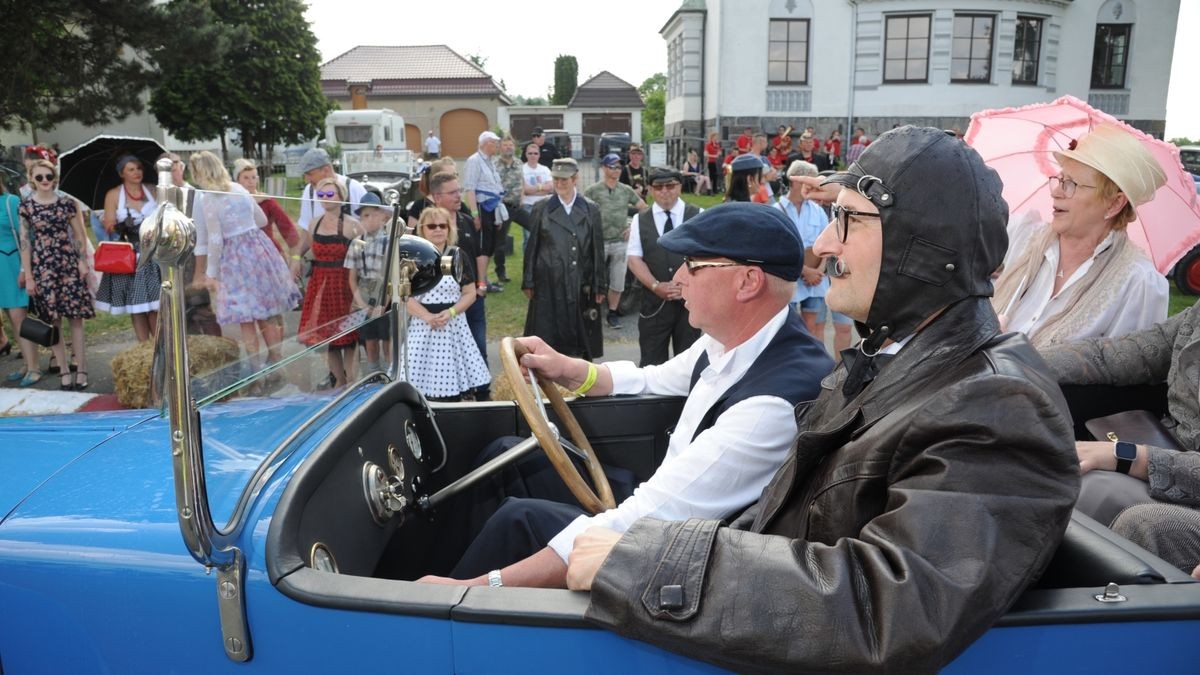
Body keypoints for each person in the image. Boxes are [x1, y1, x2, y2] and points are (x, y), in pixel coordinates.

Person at [561, 127, 1080, 673]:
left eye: (850, 220)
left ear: (921, 245)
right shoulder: (887, 361)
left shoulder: (996, 403)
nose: (826, 245)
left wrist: (647, 561)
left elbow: (891, 611)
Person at [418, 202, 835, 587]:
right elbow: (651, 380)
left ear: (747, 281)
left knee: (519, 519)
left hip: (676, 559)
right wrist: (566, 368)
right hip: (666, 502)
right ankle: (417, 573)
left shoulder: (769, 406)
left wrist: (477, 588)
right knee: (507, 457)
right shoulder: (733, 341)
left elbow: (641, 524)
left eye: (692, 265)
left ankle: (430, 606)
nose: (677, 278)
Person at [1041, 300, 1200, 578]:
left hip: (1178, 476)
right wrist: (1017, 361)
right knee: (1049, 472)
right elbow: (1114, 356)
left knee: (1124, 512)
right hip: (1166, 451)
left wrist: (1130, 456)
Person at [993, 123, 1168, 349]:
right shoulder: (1025, 237)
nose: (1056, 192)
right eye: (1059, 179)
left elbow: (1133, 375)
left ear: (1114, 203)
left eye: (1071, 184)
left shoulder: (1139, 285)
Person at [189, 151, 300, 369]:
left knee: (245, 318)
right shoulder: (238, 189)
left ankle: (255, 369)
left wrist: (212, 272)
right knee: (264, 312)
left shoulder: (207, 199)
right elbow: (260, 219)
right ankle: (276, 362)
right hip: (259, 251)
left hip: (235, 259)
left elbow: (214, 239)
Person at [18, 159, 95, 390]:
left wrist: (82, 262)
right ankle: (62, 369)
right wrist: (29, 276)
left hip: (67, 262)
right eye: (40, 177)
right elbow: (25, 243)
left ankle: (81, 368)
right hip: (43, 267)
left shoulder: (67, 204)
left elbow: (80, 236)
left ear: (55, 179)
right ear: (32, 178)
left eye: (48, 177)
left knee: (76, 318)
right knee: (53, 320)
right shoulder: (26, 207)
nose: (44, 181)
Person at [519, 158, 606, 359]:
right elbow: (532, 246)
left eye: (564, 180)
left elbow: (597, 249)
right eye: (556, 179)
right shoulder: (542, 207)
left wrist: (600, 284)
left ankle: (578, 375)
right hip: (547, 282)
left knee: (579, 333)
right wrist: (528, 280)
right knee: (547, 333)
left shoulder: (590, 209)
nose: (559, 184)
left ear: (575, 179)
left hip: (579, 281)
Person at [404, 207, 492, 401]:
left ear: (449, 229)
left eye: (442, 225)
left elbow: (469, 293)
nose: (438, 230)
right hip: (422, 325)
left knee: (456, 385)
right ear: (422, 229)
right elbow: (404, 297)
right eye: (432, 226)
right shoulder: (413, 257)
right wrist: (427, 316)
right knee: (416, 382)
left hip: (453, 325)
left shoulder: (457, 256)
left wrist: (451, 312)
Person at [626, 169, 702, 366]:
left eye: (670, 186)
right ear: (650, 190)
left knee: (689, 364)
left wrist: (687, 285)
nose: (665, 191)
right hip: (653, 305)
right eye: (659, 187)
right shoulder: (639, 220)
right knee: (651, 363)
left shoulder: (697, 215)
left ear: (679, 187)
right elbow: (634, 259)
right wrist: (655, 286)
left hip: (690, 305)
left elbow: (705, 257)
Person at [777, 160, 853, 353]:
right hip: (791, 279)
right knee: (789, 329)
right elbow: (779, 248)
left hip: (816, 281)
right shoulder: (777, 210)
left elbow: (825, 242)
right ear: (797, 181)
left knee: (815, 328)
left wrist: (818, 271)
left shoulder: (817, 210)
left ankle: (816, 370)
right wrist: (805, 271)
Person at [297, 177, 361, 388]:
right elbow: (306, 248)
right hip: (321, 284)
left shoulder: (352, 226)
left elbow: (362, 260)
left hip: (344, 283)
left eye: (329, 194)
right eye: (321, 195)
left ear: (341, 197)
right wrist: (295, 262)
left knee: (349, 337)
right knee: (328, 339)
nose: (324, 199)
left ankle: (352, 381)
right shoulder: (314, 223)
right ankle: (339, 381)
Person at [95, 155, 160, 343]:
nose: (137, 172)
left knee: (155, 306)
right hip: (130, 255)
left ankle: (159, 345)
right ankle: (144, 347)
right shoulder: (113, 194)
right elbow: (109, 225)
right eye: (131, 169)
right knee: (136, 305)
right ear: (121, 173)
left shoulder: (152, 190)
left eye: (139, 168)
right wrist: (119, 224)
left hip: (154, 252)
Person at [428, 171, 487, 363]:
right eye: (452, 192)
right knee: (452, 352)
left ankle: (482, 390)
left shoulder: (467, 221)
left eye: (459, 191)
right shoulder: (429, 226)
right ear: (437, 197)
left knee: (479, 345)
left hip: (473, 295)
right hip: (445, 301)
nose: (458, 196)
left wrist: (481, 283)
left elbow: (478, 254)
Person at [583, 154, 647, 330]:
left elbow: (644, 209)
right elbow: (580, 211)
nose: (616, 170)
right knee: (594, 277)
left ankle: (612, 313)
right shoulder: (592, 190)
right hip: (598, 242)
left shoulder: (626, 190)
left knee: (618, 280)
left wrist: (633, 226)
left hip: (620, 242)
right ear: (603, 168)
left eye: (619, 167)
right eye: (612, 167)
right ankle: (591, 310)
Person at [346, 193, 392, 373]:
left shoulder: (390, 241)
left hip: (386, 294)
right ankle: (374, 373)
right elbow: (352, 278)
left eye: (374, 214)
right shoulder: (357, 244)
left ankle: (390, 375)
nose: (370, 219)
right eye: (365, 215)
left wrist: (384, 305)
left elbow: (391, 277)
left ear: (383, 216)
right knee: (370, 341)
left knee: (388, 340)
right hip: (365, 293)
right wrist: (362, 304)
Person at [1, 176, 40, 386]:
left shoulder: (11, 201)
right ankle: (26, 363)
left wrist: (25, 269)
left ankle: (34, 367)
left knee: (19, 317)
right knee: (10, 317)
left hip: (13, 264)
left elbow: (26, 236)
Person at [462, 131, 505, 295]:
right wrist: (474, 214)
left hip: (493, 208)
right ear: (485, 144)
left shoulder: (490, 162)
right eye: (494, 143)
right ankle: (481, 283)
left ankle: (483, 279)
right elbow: (470, 188)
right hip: (482, 207)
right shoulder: (474, 161)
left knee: (490, 245)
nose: (497, 146)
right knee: (483, 246)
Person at [296, 148, 367, 247]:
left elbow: (369, 228)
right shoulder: (309, 191)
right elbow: (306, 230)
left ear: (326, 170)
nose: (307, 180)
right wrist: (296, 258)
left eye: (310, 174)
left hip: (353, 258)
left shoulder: (353, 188)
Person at [494, 135, 524, 285]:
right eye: (505, 145)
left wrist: (523, 198)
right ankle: (501, 272)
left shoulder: (519, 163)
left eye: (510, 145)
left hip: (518, 206)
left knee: (536, 226)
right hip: (503, 207)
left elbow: (521, 182)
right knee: (500, 242)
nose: (508, 147)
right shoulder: (494, 164)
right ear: (500, 147)